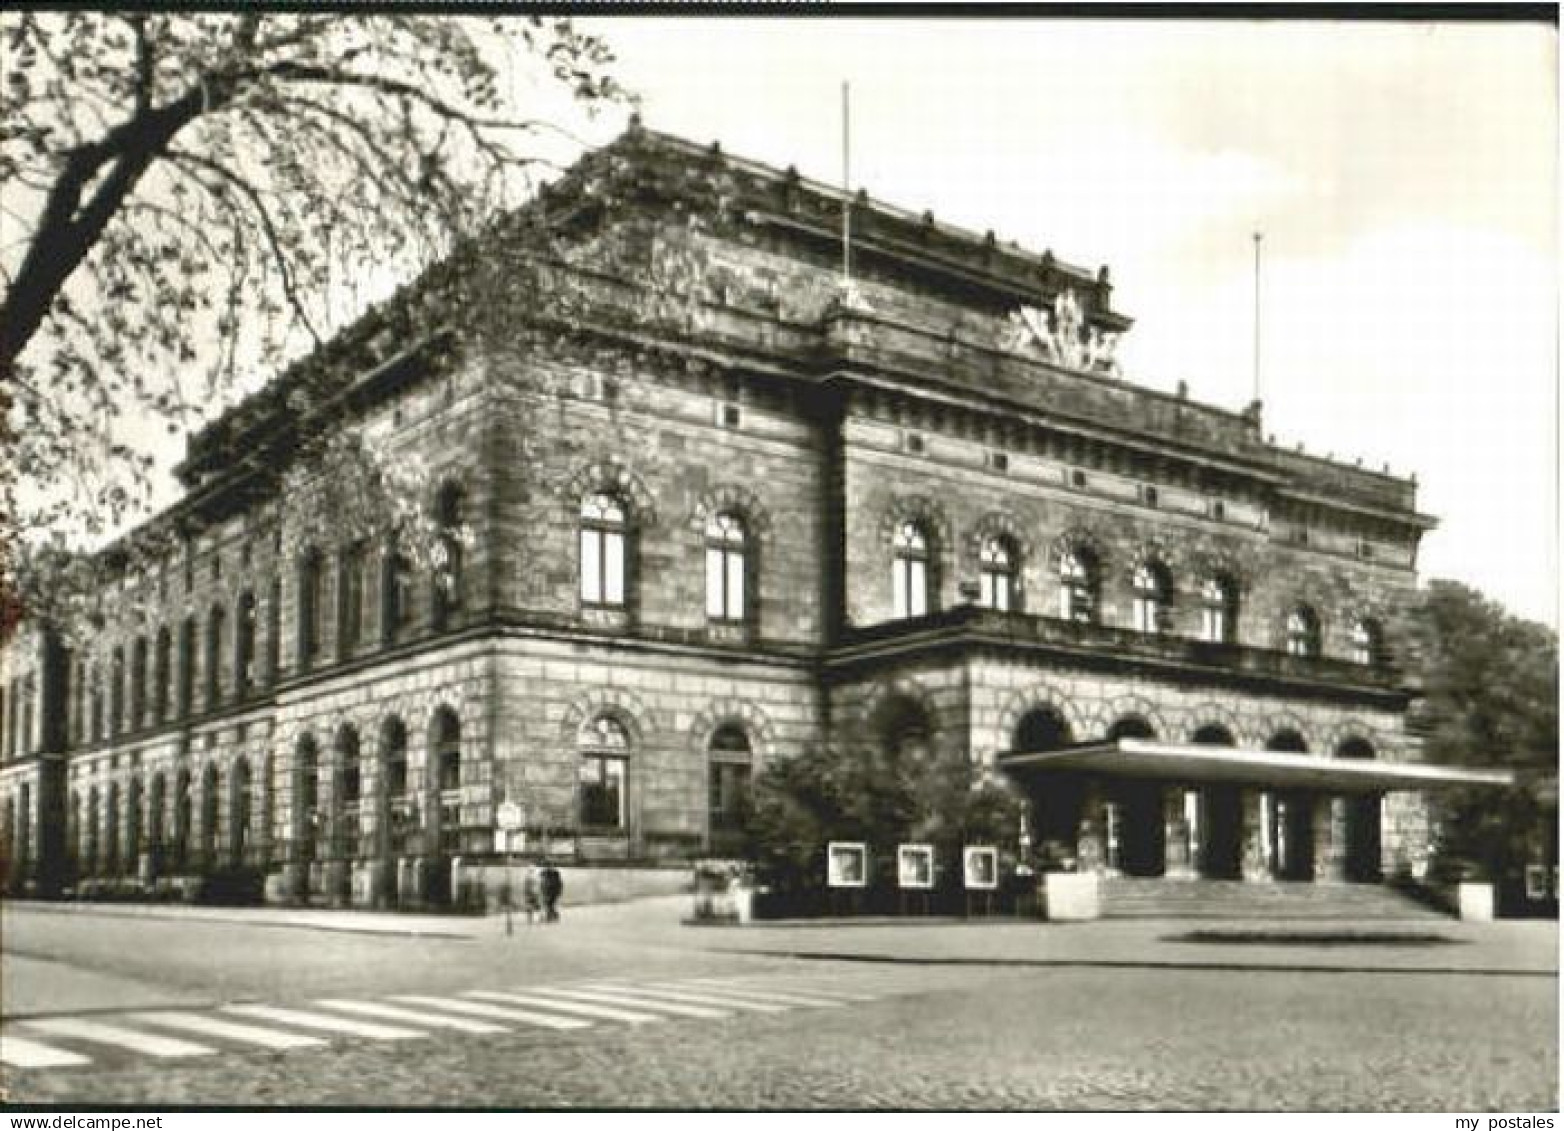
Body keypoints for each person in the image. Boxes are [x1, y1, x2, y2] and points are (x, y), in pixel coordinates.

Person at [520, 862, 541, 926]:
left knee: (532, 906)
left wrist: (526, 893)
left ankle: (531, 919)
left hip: (532, 893)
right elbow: (536, 885)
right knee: (534, 906)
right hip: (533, 893)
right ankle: (534, 919)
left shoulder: (529, 877)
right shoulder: (534, 876)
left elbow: (526, 886)